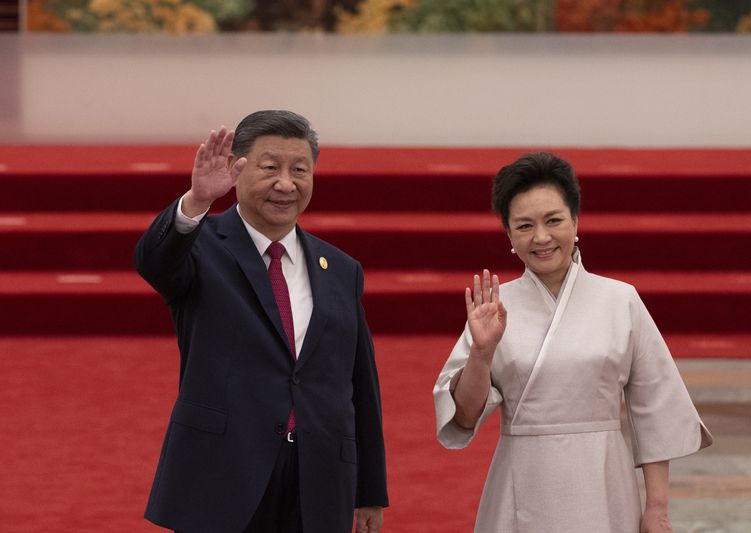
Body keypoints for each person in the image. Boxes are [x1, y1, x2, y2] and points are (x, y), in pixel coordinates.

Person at [135, 110, 388, 533]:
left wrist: (369, 490)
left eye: (300, 170)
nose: (286, 184)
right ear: (237, 168)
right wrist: (196, 203)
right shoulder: (201, 247)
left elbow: (360, 385)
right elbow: (154, 262)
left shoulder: (341, 269)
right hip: (223, 475)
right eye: (270, 168)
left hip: (318, 481)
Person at [433, 152, 712, 533]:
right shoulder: (495, 309)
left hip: (603, 480)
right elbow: (463, 417)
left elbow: (656, 405)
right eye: (525, 226)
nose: (542, 237)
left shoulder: (621, 300)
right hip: (522, 481)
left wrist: (657, 508)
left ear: (576, 221)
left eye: (554, 220)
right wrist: (481, 352)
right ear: (509, 236)